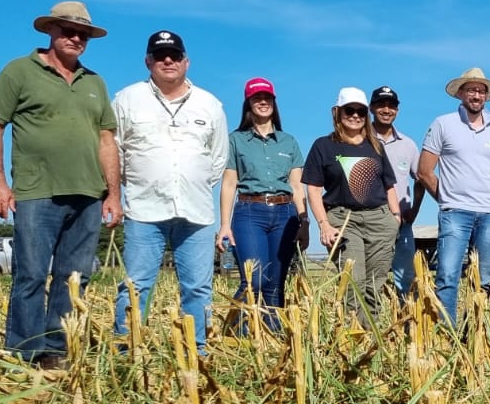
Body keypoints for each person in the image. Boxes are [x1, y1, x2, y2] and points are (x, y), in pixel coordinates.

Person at [0, 1, 120, 369]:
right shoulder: (19, 71)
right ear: (51, 31)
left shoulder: (95, 82)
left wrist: (114, 194)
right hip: (36, 191)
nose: (76, 38)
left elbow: (107, 140)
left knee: (75, 277)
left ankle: (56, 350)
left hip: (88, 194)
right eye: (68, 30)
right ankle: (24, 351)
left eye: (83, 34)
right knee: (30, 274)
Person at [111, 30, 228, 352]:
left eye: (174, 56)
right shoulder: (127, 99)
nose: (167, 61)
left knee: (198, 288)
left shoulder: (210, 104)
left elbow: (217, 158)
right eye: (160, 55)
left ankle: (197, 352)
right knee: (135, 287)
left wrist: (196, 181)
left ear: (186, 62)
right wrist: (132, 184)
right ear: (148, 61)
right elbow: (113, 150)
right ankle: (126, 352)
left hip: (197, 212)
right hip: (143, 210)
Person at [417, 67, 490, 323]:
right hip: (455, 213)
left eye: (481, 90)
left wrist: (486, 198)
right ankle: (447, 333)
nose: (476, 95)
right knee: (447, 275)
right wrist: (447, 199)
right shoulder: (443, 124)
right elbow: (424, 171)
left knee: (485, 277)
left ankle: (477, 331)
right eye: (471, 90)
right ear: (460, 93)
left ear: (487, 96)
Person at [304, 88, 401, 326]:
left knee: (375, 282)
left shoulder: (375, 145)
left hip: (379, 219)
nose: (355, 116)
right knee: (353, 280)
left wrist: (395, 218)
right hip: (344, 219)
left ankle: (372, 335)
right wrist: (323, 224)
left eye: (361, 111)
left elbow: (389, 186)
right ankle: (352, 335)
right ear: (337, 112)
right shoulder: (323, 146)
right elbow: (313, 190)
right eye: (350, 110)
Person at [217, 77, 305, 331]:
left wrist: (304, 221)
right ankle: (237, 335)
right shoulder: (236, 140)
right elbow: (229, 183)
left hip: (285, 214)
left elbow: (297, 186)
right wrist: (224, 224)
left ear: (274, 103)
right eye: (257, 98)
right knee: (254, 279)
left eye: (267, 98)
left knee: (275, 283)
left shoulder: (288, 142)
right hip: (249, 212)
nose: (263, 102)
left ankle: (273, 339)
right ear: (248, 104)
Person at [367, 86, 423, 296]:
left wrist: (415, 209)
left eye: (391, 106)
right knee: (371, 277)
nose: (386, 110)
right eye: (381, 105)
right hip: (369, 219)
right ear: (372, 108)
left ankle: (408, 324)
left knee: (406, 278)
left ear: (397, 110)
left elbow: (421, 178)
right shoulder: (360, 140)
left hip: (401, 223)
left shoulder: (408, 144)